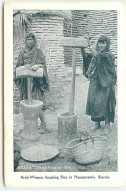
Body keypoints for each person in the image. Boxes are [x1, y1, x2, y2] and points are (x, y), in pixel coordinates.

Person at [14, 32, 50, 134]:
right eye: (28, 39)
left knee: (37, 102)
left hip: (36, 83)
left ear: (34, 41)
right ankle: (30, 126)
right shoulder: (22, 52)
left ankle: (43, 125)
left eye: (31, 39)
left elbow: (42, 64)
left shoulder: (38, 52)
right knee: (26, 102)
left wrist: (37, 66)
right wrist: (23, 67)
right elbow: (18, 65)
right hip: (26, 82)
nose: (30, 41)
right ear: (25, 41)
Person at [81, 35, 117, 134]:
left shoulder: (109, 55)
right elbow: (87, 59)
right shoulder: (96, 54)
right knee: (95, 102)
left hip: (105, 83)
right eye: (100, 43)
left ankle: (107, 125)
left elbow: (97, 56)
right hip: (95, 82)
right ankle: (96, 124)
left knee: (105, 103)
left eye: (103, 43)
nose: (101, 45)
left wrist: (89, 45)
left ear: (107, 44)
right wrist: (82, 48)